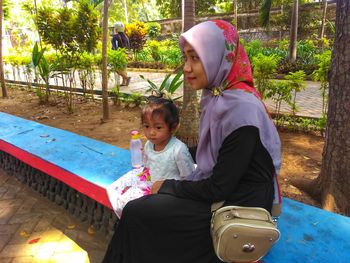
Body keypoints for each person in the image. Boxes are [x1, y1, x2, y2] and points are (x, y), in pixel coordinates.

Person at [102, 20, 281, 263]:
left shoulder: (241, 111)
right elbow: (218, 152)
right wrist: (172, 149)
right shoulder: (218, 96)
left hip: (240, 203)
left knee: (138, 212)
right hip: (228, 186)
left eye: (195, 58)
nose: (186, 67)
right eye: (185, 58)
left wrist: (167, 186)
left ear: (218, 57)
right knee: (143, 211)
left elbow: (219, 187)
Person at [142, 96, 195, 181]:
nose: (151, 132)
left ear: (173, 128)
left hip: (172, 191)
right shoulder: (148, 145)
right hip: (152, 187)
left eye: (158, 127)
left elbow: (189, 177)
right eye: (147, 126)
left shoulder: (178, 150)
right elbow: (147, 165)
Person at [111, 22, 131, 86]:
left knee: (115, 68)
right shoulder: (126, 37)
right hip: (126, 55)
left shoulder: (115, 37)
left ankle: (127, 78)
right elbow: (128, 47)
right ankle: (124, 82)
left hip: (119, 56)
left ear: (116, 29)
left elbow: (115, 48)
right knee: (124, 69)